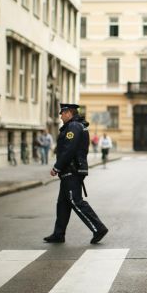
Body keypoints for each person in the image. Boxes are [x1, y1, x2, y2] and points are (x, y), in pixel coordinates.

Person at [44, 103, 108, 245]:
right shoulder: (77, 125)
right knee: (63, 204)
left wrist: (57, 167)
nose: (60, 116)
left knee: (75, 201)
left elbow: (69, 149)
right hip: (71, 170)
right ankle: (58, 234)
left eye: (62, 113)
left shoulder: (73, 126)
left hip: (71, 170)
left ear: (68, 113)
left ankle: (99, 228)